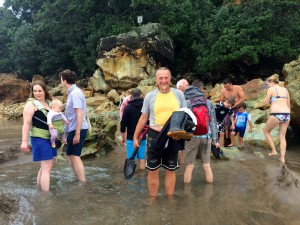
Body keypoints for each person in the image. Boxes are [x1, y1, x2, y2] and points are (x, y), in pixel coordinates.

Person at [133, 67, 186, 198]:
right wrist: (135, 136)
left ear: (170, 78)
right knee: (152, 170)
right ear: (156, 80)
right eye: (160, 78)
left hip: (173, 136)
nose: (163, 81)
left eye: (166, 78)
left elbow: (185, 115)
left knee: (170, 170)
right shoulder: (150, 96)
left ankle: (169, 198)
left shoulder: (178, 94)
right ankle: (152, 200)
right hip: (154, 136)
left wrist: (183, 140)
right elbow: (143, 118)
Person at [20, 80, 56, 192]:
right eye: (34, 91)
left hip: (49, 138)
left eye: (39, 90)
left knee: (45, 166)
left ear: (45, 91)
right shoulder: (31, 104)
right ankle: (46, 196)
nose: (37, 93)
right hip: (39, 138)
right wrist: (24, 142)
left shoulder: (49, 103)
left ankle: (40, 190)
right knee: (47, 167)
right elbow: (26, 124)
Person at [184, 80, 220, 184]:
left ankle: (186, 195)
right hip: (206, 137)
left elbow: (182, 121)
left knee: (189, 166)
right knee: (207, 165)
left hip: (191, 137)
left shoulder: (187, 102)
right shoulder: (208, 102)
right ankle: (209, 191)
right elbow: (213, 122)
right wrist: (215, 140)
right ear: (202, 89)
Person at [60, 69, 88, 182]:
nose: (60, 83)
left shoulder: (75, 93)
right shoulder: (72, 93)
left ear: (65, 81)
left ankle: (83, 182)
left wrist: (77, 133)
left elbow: (79, 113)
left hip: (78, 128)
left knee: (75, 156)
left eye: (61, 80)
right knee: (71, 155)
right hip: (73, 128)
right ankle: (78, 180)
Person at [263, 74, 290, 163]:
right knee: (282, 136)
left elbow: (265, 103)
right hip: (287, 115)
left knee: (266, 131)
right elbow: (288, 104)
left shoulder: (271, 89)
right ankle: (282, 158)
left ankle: (274, 151)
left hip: (276, 114)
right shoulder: (285, 90)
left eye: (268, 84)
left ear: (272, 82)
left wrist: (267, 100)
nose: (268, 86)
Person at [120, 88, 147, 169]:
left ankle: (132, 179)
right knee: (142, 158)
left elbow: (123, 122)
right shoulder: (145, 107)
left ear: (131, 96)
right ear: (141, 95)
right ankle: (142, 176)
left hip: (131, 138)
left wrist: (123, 134)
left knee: (131, 159)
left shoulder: (128, 107)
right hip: (142, 136)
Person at [219, 78, 245, 143]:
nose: (227, 88)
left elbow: (243, 97)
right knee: (226, 125)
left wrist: (236, 104)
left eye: (228, 86)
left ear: (231, 84)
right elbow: (221, 101)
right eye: (225, 87)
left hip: (237, 107)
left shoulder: (237, 88)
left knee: (237, 124)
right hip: (228, 108)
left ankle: (239, 140)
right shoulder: (223, 91)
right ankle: (227, 139)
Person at [176, 78, 189, 165]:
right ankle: (181, 163)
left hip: (177, 123)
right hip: (179, 123)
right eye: (187, 85)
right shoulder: (180, 95)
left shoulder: (174, 94)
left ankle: (176, 163)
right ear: (180, 86)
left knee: (177, 144)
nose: (188, 86)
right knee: (180, 145)